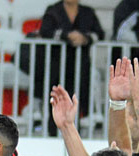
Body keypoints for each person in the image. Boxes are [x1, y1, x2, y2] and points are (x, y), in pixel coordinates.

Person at [31, 0, 105, 136]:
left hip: (81, 67)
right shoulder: (53, 10)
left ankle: (76, 135)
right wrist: (67, 36)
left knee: (78, 100)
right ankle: (52, 135)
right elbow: (45, 31)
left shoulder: (88, 12)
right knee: (55, 101)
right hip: (56, 66)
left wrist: (85, 38)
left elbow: (99, 33)